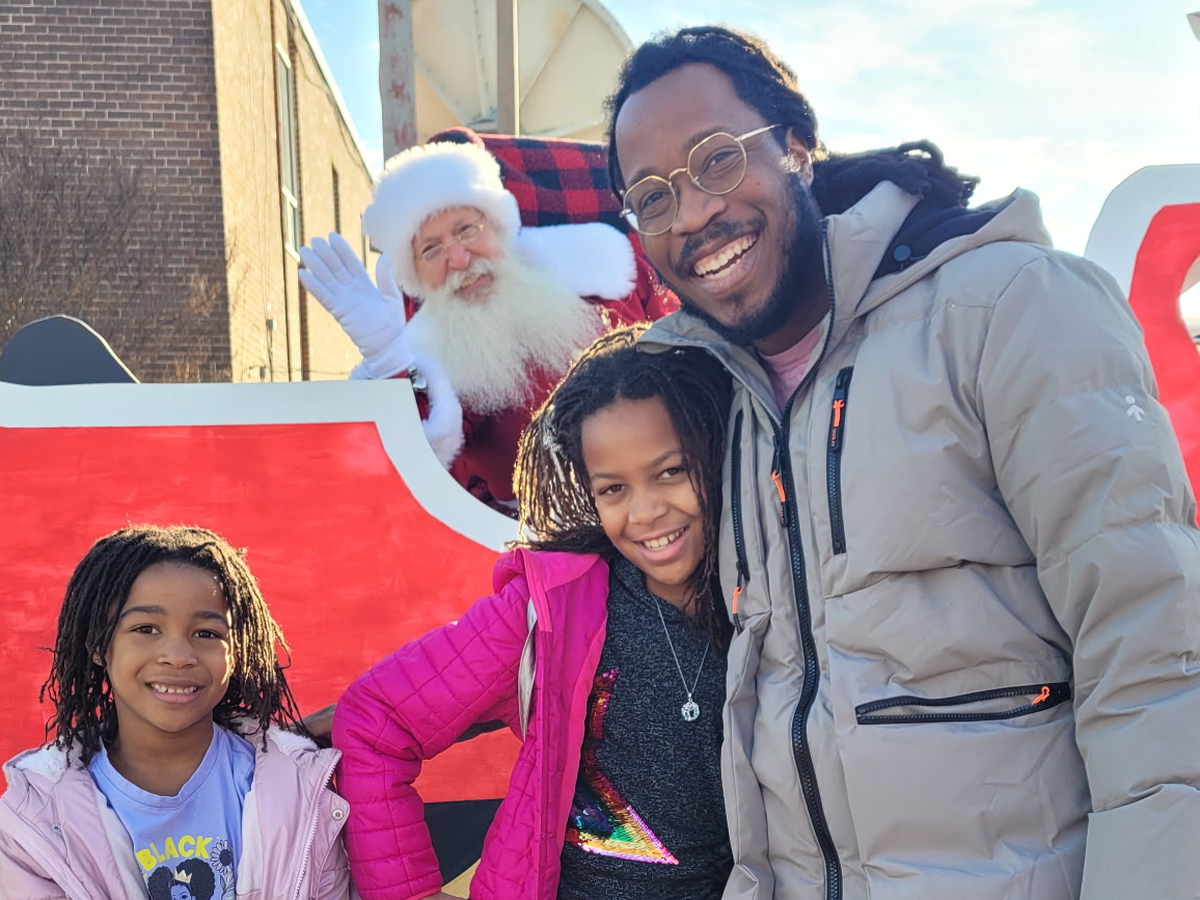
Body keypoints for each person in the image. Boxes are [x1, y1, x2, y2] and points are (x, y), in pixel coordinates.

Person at [608, 25, 1200, 900]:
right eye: (653, 197)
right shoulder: (708, 402)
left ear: (795, 146)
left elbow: (1158, 656)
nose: (691, 213)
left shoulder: (1007, 306)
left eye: (718, 159)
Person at [332, 327, 734, 900]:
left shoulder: (774, 601)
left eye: (671, 472)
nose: (645, 512)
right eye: (613, 489)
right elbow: (375, 720)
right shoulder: (551, 612)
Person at [300, 140, 677, 513]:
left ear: (498, 225)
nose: (459, 259)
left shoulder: (610, 272)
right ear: (415, 275)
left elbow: (686, 356)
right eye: (431, 249)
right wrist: (389, 359)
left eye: (466, 229)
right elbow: (415, 474)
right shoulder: (430, 362)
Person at [0, 525, 354, 899]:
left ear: (237, 651)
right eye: (146, 628)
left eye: (206, 633)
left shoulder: (301, 788)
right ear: (98, 645)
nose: (178, 656)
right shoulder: (33, 817)